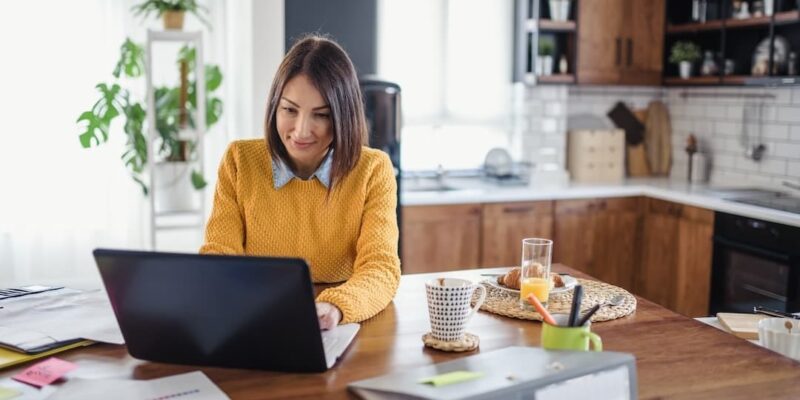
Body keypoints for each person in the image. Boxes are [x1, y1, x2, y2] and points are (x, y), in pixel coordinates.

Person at [200, 35, 400, 330]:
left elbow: (381, 267)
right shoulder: (239, 160)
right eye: (290, 110)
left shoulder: (373, 169)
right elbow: (220, 255)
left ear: (344, 117)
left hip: (339, 324)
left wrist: (335, 306)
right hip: (254, 318)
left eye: (321, 115)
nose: (301, 130)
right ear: (274, 106)